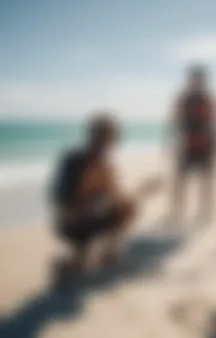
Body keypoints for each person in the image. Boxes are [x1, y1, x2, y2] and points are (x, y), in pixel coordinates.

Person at [51, 113, 160, 272]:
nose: (117, 139)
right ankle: (100, 254)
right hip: (80, 224)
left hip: (64, 224)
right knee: (128, 207)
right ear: (107, 137)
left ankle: (81, 255)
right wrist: (144, 190)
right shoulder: (99, 164)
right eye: (115, 134)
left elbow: (62, 197)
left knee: (116, 206)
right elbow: (118, 199)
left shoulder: (73, 157)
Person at [167, 65, 216, 229]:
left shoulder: (209, 99)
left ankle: (206, 212)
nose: (196, 82)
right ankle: (177, 212)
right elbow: (175, 121)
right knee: (180, 180)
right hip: (187, 145)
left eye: (199, 80)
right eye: (194, 79)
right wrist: (173, 142)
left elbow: (214, 123)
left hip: (205, 145)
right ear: (190, 81)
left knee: (206, 180)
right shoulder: (183, 99)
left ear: (203, 81)